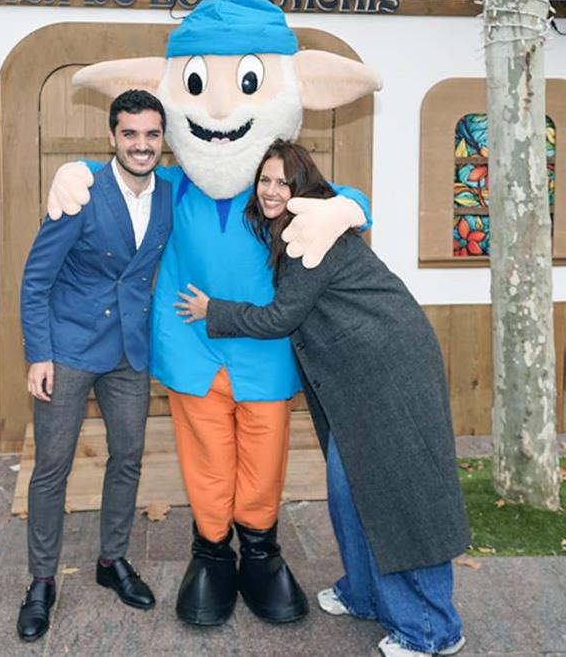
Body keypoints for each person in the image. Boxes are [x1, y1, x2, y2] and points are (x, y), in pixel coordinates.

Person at [44, 0, 380, 626]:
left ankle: (262, 551)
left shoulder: (276, 189)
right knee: (205, 459)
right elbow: (124, 173)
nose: (221, 110)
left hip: (265, 351)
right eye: (198, 86)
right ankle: (213, 552)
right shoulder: (174, 187)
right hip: (192, 347)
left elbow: (344, 196)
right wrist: (73, 171)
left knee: (264, 458)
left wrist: (347, 207)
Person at [175, 140, 471, 657]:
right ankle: (364, 594)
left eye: (283, 182)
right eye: (264, 180)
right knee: (347, 489)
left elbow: (281, 317)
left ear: (303, 187)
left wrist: (212, 310)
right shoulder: (294, 227)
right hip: (357, 373)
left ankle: (431, 631)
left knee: (399, 496)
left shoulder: (308, 236)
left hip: (388, 370)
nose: (271, 191)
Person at [16, 89, 172, 642]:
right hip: (69, 349)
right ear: (112, 137)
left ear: (163, 140)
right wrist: (39, 354)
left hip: (129, 353)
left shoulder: (171, 194)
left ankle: (112, 561)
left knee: (127, 457)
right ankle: (41, 581)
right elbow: (36, 279)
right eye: (130, 133)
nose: (141, 144)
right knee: (52, 466)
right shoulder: (81, 192)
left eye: (151, 134)